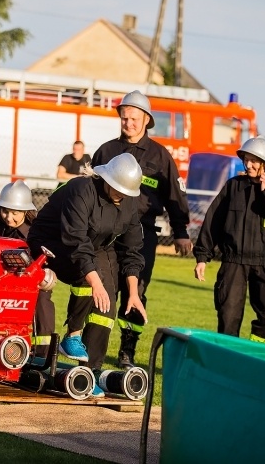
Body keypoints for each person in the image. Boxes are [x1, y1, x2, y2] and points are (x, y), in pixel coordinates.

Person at [27, 153, 146, 397]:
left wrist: (133, 293)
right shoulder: (81, 189)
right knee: (87, 278)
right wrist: (95, 281)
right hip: (53, 242)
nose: (119, 193)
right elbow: (75, 241)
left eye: (125, 191)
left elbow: (132, 250)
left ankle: (89, 373)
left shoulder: (130, 204)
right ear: (105, 178)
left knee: (107, 308)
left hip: (94, 247)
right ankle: (72, 334)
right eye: (116, 187)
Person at [91, 90, 192, 369]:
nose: (129, 123)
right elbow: (89, 190)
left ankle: (127, 352)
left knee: (136, 290)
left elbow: (174, 195)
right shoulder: (106, 151)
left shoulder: (160, 156)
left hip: (143, 234)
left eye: (134, 119)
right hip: (106, 232)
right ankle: (92, 352)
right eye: (125, 118)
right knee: (103, 290)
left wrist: (181, 232)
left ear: (146, 120)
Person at [193, 136, 265, 344]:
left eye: (253, 161)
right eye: (245, 160)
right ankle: (228, 364)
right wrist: (203, 257)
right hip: (234, 262)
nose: (248, 165)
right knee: (228, 318)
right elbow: (213, 221)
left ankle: (254, 351)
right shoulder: (234, 187)